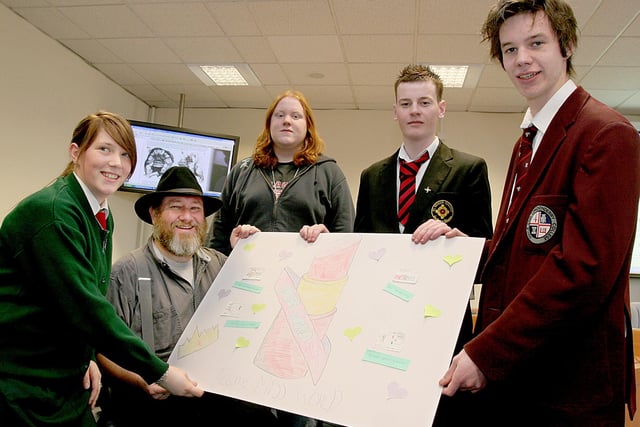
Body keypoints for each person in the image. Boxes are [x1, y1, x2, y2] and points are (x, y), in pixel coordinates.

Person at [433, 1, 640, 425]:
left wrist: (488, 353)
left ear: (567, 45)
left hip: (567, 385)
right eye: (509, 50)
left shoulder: (606, 133)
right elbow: (530, 244)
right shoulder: (528, 138)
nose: (522, 59)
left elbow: (584, 269)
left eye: (536, 43)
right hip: (522, 378)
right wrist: (474, 250)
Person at [0, 111, 203, 427]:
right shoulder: (53, 214)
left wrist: (89, 357)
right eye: (104, 149)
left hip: (67, 380)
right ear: (75, 152)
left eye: (125, 155)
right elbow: (87, 308)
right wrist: (159, 372)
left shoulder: (100, 214)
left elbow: (83, 296)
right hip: (23, 382)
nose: (116, 163)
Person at [353, 64, 493, 426]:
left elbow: (484, 257)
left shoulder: (469, 168)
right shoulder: (372, 176)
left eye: (424, 102)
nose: (415, 110)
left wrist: (456, 241)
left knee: (441, 414)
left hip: (441, 324)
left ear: (440, 109)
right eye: (406, 103)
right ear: (395, 112)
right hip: (381, 318)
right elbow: (360, 250)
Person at [209, 90, 355, 426]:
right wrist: (233, 244)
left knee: (297, 399)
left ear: (308, 127)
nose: (287, 121)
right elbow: (216, 241)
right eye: (280, 115)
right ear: (269, 124)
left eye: (295, 116)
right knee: (245, 397)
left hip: (305, 304)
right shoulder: (242, 172)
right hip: (249, 299)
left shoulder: (329, 172)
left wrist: (326, 239)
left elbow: (347, 240)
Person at [98, 166, 277, 426]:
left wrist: (251, 255)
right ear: (154, 213)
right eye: (175, 207)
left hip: (214, 398)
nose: (187, 217)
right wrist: (144, 380)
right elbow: (104, 350)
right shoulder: (126, 272)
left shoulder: (221, 266)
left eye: (195, 209)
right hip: (154, 404)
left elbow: (259, 315)